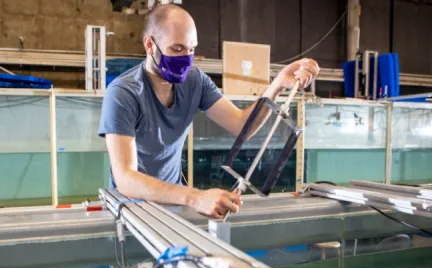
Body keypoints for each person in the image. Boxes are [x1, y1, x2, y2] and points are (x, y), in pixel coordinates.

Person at [98, 4, 319, 219]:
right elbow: (126, 178)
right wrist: (194, 197)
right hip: (132, 211)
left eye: (191, 49)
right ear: (150, 45)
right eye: (176, 49)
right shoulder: (123, 94)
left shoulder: (195, 81)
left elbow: (242, 125)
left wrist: (278, 84)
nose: (186, 58)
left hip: (175, 205)